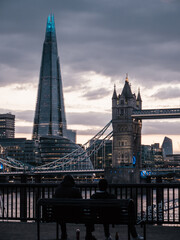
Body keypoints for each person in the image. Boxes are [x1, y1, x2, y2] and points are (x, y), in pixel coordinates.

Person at [54, 175, 82, 240]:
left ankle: (63, 233)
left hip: (58, 215)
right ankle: (88, 235)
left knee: (61, 212)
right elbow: (81, 203)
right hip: (74, 216)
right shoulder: (75, 190)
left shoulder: (58, 190)